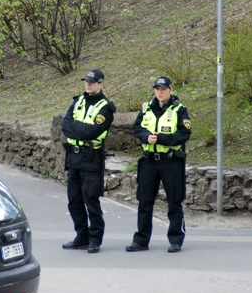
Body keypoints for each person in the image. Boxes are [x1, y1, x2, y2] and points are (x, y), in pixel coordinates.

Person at [127, 76, 191, 253]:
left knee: (174, 201)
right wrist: (145, 137)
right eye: (157, 89)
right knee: (144, 201)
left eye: (163, 89)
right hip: (149, 161)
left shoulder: (180, 110)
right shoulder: (146, 108)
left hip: (170, 161)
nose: (160, 92)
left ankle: (176, 239)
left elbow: (184, 134)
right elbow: (137, 128)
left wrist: (161, 139)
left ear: (170, 90)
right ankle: (141, 240)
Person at [61, 69, 116, 253]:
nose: (88, 84)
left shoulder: (106, 107)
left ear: (101, 84)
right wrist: (79, 129)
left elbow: (92, 132)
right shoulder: (78, 101)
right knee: (74, 200)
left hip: (91, 158)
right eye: (86, 81)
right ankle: (81, 236)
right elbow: (65, 126)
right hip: (75, 156)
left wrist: (76, 128)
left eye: (92, 82)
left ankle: (95, 239)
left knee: (90, 200)